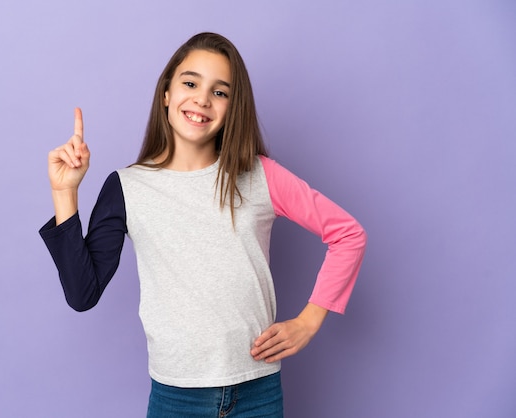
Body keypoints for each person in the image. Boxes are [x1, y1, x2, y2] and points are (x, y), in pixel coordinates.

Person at [39, 32, 366, 418]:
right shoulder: (127, 187)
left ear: (232, 107)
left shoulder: (261, 176)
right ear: (166, 93)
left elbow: (348, 234)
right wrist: (65, 194)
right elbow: (82, 294)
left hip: (258, 392)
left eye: (220, 92)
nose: (202, 100)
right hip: (176, 398)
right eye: (190, 83)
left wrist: (310, 321)